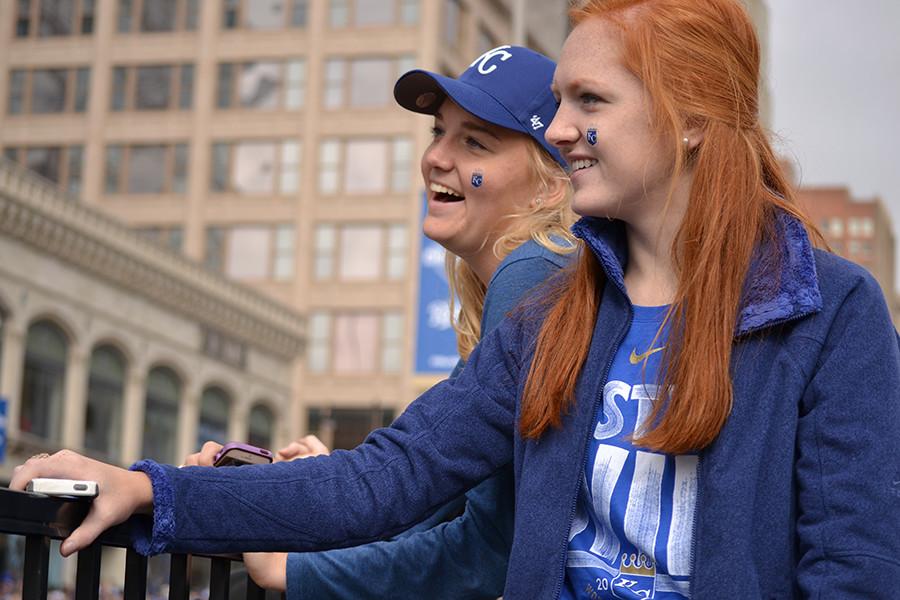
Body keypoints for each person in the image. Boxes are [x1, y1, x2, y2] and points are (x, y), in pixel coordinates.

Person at [12, 1, 900, 598]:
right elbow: (386, 478)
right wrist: (152, 492)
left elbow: (853, 573)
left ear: (693, 119)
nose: (556, 130)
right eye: (556, 103)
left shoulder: (832, 312)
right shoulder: (555, 315)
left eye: (588, 100)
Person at [222, 46, 577, 598]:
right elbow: (433, 497)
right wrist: (331, 484)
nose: (435, 157)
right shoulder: (509, 293)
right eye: (439, 132)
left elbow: (490, 551)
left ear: (551, 184)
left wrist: (293, 571)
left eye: (475, 142)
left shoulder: (534, 276)